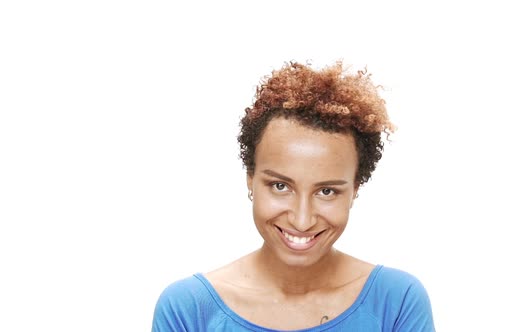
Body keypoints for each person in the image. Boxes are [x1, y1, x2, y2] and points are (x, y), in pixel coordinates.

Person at [151, 61, 436, 331]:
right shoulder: (188, 309)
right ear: (250, 179)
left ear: (355, 190)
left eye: (327, 191)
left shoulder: (397, 302)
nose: (302, 220)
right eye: (280, 186)